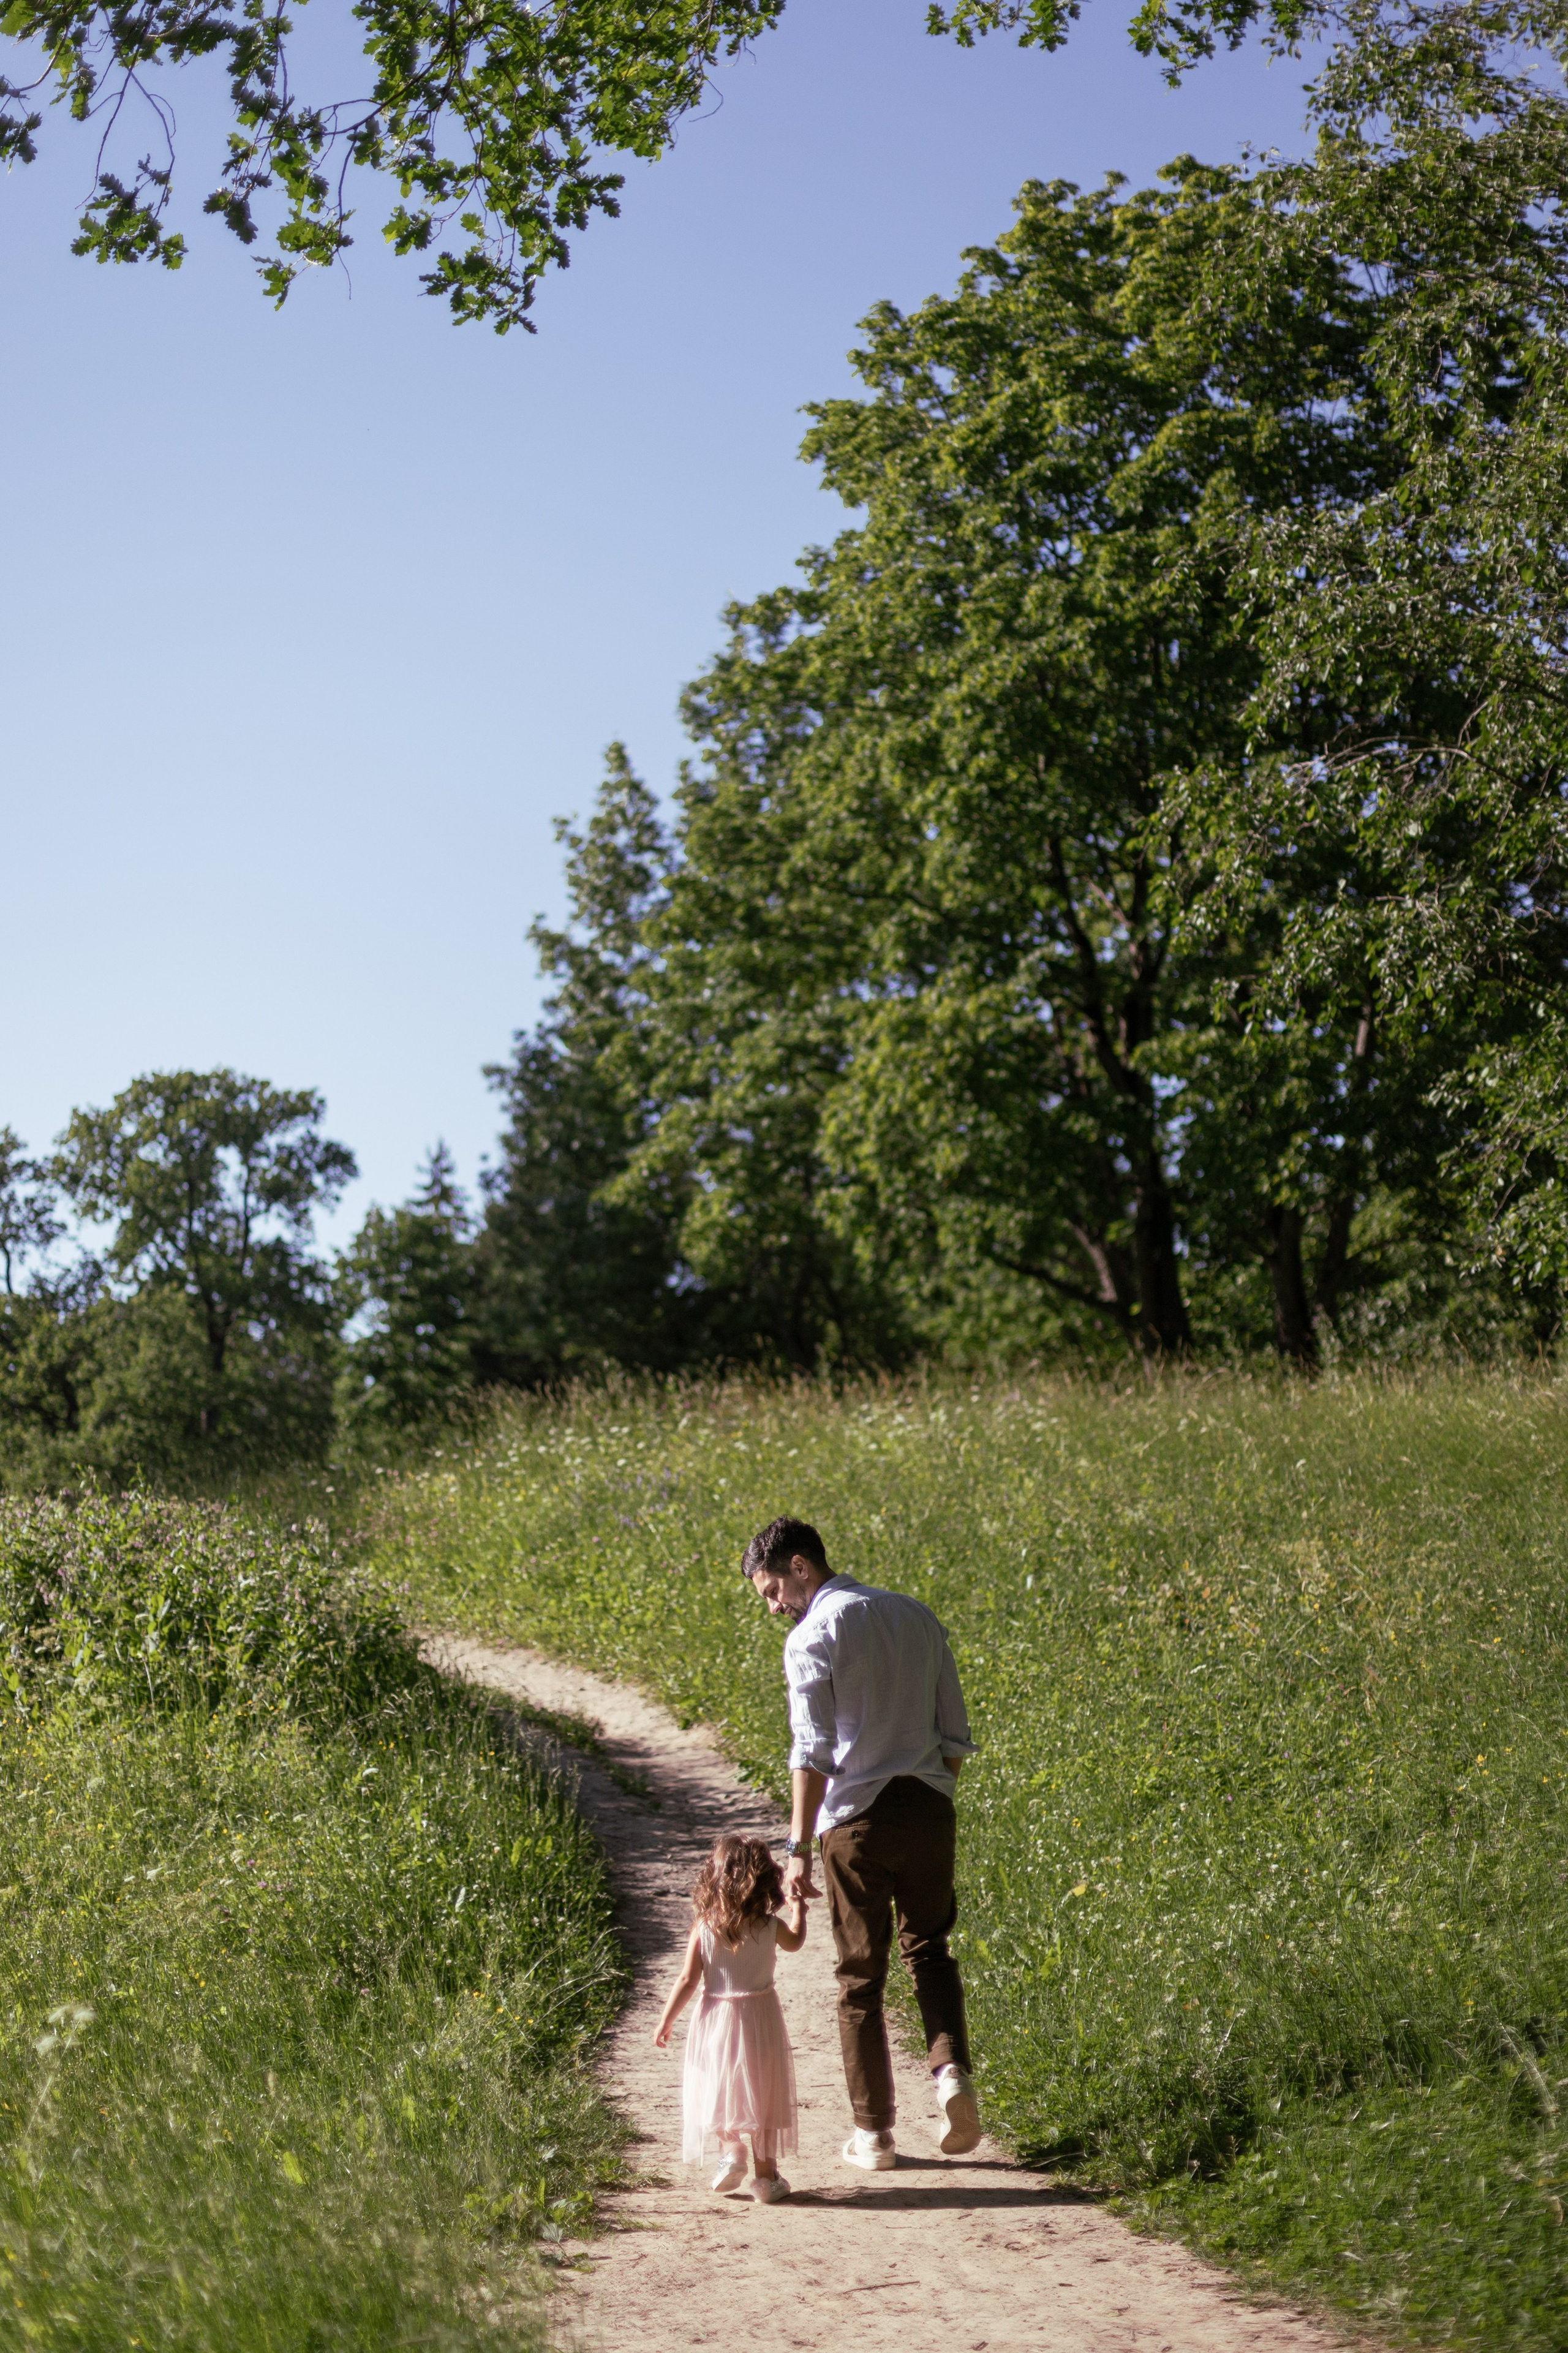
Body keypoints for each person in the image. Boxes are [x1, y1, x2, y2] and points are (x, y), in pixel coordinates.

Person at [742, 1515, 982, 2172]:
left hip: (855, 1821)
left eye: (772, 1591)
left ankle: (874, 2134)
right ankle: (951, 2076)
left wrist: (796, 1848)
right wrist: (934, 1795)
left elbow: (811, 1751)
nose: (774, 1608)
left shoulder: (811, 1635)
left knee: (859, 1977)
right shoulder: (916, 1615)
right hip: (929, 1807)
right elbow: (954, 1731)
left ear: (800, 1567)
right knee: (930, 1950)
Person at [654, 1830, 807, 2203]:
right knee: (762, 2093)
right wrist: (798, 1910)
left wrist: (667, 2020)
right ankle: (766, 2179)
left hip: (716, 2021)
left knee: (720, 2088)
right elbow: (796, 1942)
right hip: (761, 2019)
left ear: (715, 1879)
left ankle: (731, 2150)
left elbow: (688, 1980)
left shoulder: (705, 1928)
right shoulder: (770, 1926)